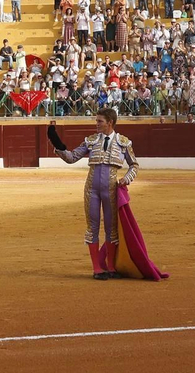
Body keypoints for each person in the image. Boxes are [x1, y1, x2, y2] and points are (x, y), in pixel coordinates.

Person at [48, 109, 166, 281]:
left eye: (99, 121)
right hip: (91, 188)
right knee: (92, 227)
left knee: (111, 229)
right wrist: (57, 144)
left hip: (111, 188)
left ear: (110, 122)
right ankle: (97, 268)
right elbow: (72, 157)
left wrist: (127, 178)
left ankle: (110, 266)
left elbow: (134, 165)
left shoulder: (123, 142)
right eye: (96, 121)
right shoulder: (91, 140)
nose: (96, 124)